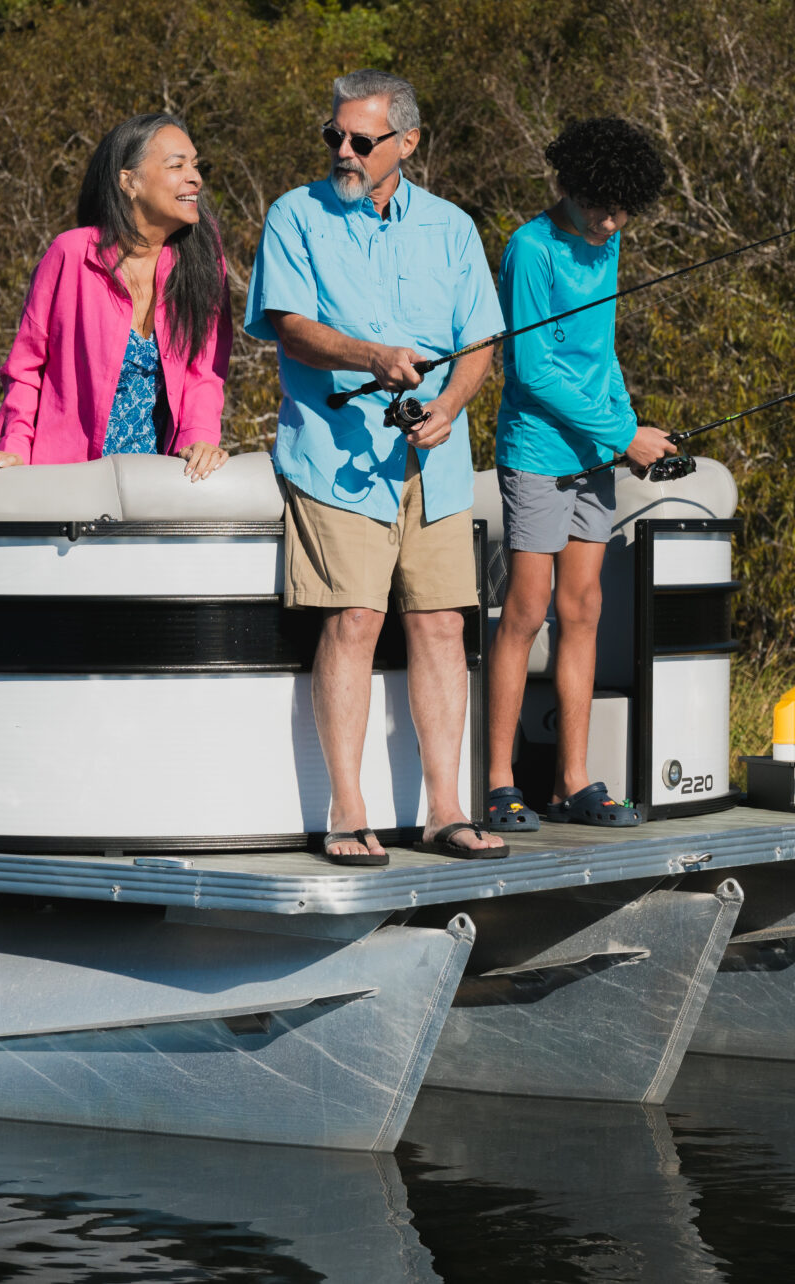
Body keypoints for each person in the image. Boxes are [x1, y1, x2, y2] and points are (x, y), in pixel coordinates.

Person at [245, 69, 507, 865]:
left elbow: (481, 343)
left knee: (442, 625)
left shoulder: (453, 227)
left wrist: (451, 406)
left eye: (362, 140)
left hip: (436, 460)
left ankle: (446, 811)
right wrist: (372, 356)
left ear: (408, 143)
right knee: (353, 621)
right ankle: (347, 812)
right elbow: (289, 328)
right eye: (335, 136)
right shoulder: (295, 214)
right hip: (332, 455)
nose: (344, 152)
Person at [482, 119, 678, 832]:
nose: (611, 222)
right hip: (537, 451)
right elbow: (530, 372)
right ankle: (499, 782)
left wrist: (627, 426)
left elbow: (603, 353)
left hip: (595, 454)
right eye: (600, 206)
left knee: (584, 609)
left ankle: (574, 782)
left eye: (623, 210)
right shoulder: (530, 250)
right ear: (569, 187)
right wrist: (624, 434)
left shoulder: (611, 240)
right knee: (527, 609)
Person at [0, 112, 232, 488]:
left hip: (157, 487)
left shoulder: (204, 259)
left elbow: (205, 370)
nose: (196, 177)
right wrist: (14, 447)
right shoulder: (71, 254)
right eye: (177, 165)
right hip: (65, 485)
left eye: (195, 165)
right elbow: (26, 368)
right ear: (129, 181)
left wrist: (199, 438)